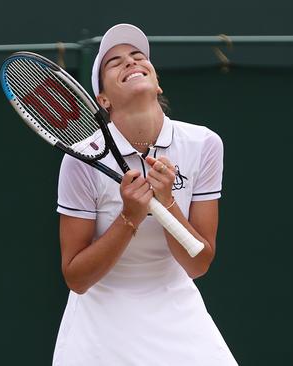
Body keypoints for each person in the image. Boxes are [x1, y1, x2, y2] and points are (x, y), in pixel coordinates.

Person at [53, 23, 237, 365]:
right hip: (100, 324)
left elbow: (198, 264)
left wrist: (167, 201)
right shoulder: (79, 161)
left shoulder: (204, 144)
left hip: (177, 311)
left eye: (138, 56)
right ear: (103, 100)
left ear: (156, 80)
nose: (131, 61)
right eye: (115, 62)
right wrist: (129, 218)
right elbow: (76, 278)